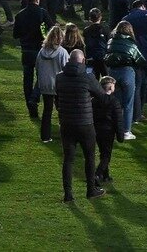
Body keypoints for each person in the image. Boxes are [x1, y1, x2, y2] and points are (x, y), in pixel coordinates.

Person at [56, 48, 106, 202]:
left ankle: (68, 194)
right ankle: (91, 190)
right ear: (83, 60)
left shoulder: (59, 78)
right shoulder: (88, 77)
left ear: (69, 61)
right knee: (89, 157)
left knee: (68, 159)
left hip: (66, 123)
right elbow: (102, 96)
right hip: (85, 123)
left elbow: (58, 98)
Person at [104, 19, 145, 140]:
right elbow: (141, 60)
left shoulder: (111, 41)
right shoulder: (131, 44)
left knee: (115, 103)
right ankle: (126, 131)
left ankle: (113, 129)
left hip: (112, 73)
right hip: (127, 73)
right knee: (128, 103)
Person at [13, 0, 48, 120]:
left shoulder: (20, 15)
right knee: (42, 77)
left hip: (26, 51)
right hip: (39, 50)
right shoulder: (42, 13)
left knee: (27, 80)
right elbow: (50, 29)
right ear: (37, 0)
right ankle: (35, 97)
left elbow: (15, 34)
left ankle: (30, 106)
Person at [35, 24, 69, 142]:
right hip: (59, 85)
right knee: (63, 111)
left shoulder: (41, 51)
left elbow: (37, 67)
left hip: (45, 84)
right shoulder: (62, 52)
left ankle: (45, 136)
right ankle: (65, 135)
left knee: (47, 111)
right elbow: (66, 68)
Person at [92, 75, 124, 183]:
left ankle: (105, 176)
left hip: (96, 130)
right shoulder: (114, 101)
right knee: (106, 155)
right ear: (111, 87)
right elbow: (118, 119)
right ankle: (97, 174)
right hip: (108, 131)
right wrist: (120, 135)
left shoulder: (94, 100)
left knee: (103, 152)